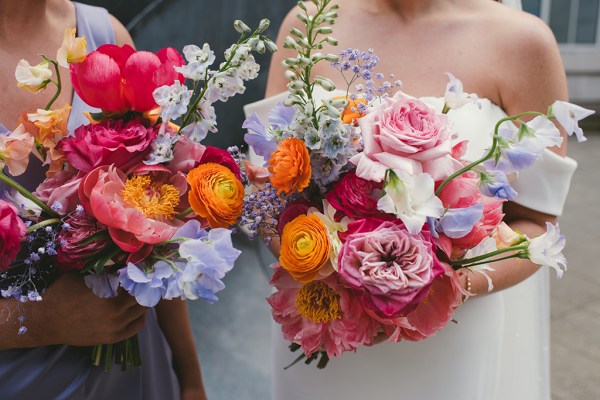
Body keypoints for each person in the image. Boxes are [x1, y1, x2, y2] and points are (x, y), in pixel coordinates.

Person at [245, 0, 577, 399]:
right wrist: (320, 267)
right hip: (329, 321)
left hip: (448, 338)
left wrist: (434, 289)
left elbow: (536, 223)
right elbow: (267, 182)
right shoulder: (309, 23)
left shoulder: (524, 42)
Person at [0, 1, 206, 399]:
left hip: (139, 367)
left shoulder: (104, 37)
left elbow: (156, 233)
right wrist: (42, 321)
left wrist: (190, 378)